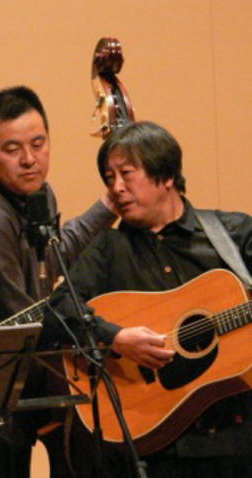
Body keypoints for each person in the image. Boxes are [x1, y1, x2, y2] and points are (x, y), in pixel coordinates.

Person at [46, 120, 252, 476]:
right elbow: (57, 311)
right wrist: (116, 338)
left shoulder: (232, 234)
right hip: (155, 449)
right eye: (109, 178)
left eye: (126, 174)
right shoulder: (108, 248)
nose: (116, 188)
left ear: (166, 176)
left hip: (236, 442)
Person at [0, 85, 117, 477]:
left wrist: (108, 206)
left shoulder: (35, 194)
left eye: (39, 143)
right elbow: (21, 322)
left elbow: (51, 257)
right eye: (12, 149)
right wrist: (110, 333)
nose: (30, 159)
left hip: (19, 384)